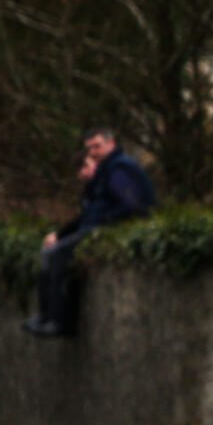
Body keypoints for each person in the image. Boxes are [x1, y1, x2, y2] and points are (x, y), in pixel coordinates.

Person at [25, 128, 155, 337]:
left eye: (97, 146)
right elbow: (92, 211)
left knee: (58, 255)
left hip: (107, 229)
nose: (93, 152)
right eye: (89, 148)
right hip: (95, 227)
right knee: (52, 253)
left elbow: (130, 204)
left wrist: (105, 223)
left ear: (110, 143)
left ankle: (58, 320)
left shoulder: (119, 168)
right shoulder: (106, 170)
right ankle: (47, 315)